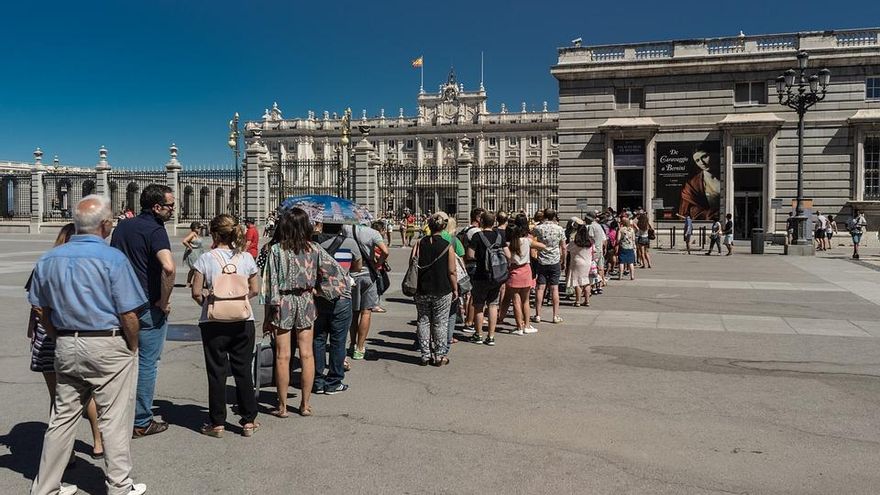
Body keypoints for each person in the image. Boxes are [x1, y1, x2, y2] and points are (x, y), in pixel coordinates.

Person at [28, 195, 147, 495]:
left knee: (62, 419)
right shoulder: (114, 259)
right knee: (114, 419)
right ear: (105, 225)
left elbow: (39, 308)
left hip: (67, 343)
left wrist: (57, 336)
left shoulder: (48, 259)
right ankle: (120, 486)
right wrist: (132, 344)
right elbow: (129, 313)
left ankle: (45, 488)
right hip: (107, 344)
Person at [26, 224, 104, 463]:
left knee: (58, 399)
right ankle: (98, 441)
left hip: (47, 339)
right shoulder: (85, 267)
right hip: (72, 336)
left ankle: (66, 453)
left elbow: (36, 305)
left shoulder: (46, 264)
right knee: (85, 394)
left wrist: (36, 331)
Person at [262, 208, 346, 417]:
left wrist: (267, 316)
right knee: (307, 354)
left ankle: (282, 406)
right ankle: (305, 404)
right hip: (306, 300)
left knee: (283, 356)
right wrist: (320, 291)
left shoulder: (276, 251)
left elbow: (269, 284)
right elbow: (338, 275)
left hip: (282, 301)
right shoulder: (314, 249)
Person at [110, 183, 176, 438]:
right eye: (170, 206)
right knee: (147, 363)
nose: (173, 210)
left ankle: (115, 415)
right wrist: (164, 300)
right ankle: (141, 420)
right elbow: (168, 268)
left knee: (122, 361)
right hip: (147, 307)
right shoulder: (156, 230)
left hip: (120, 305)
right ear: (157, 207)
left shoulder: (123, 226)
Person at [189, 214, 260, 438]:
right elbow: (255, 290)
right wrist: (238, 300)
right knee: (243, 370)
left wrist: (209, 302)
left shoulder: (205, 259)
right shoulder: (246, 258)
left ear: (214, 233)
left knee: (216, 372)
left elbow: (196, 292)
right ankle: (249, 421)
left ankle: (217, 423)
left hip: (213, 321)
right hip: (242, 320)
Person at [312, 221, 361, 394]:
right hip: (342, 296)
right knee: (338, 341)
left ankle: (317, 381)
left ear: (323, 225)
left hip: (318, 296)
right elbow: (358, 266)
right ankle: (334, 382)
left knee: (317, 339)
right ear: (341, 226)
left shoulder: (313, 242)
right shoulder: (350, 243)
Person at [413, 213, 457, 365]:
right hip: (442, 288)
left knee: (423, 320)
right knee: (440, 322)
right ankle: (439, 355)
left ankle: (425, 355)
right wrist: (455, 288)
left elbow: (412, 264)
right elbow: (452, 271)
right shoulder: (447, 245)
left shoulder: (419, 243)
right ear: (443, 227)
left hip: (421, 288)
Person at [343, 222, 388, 361]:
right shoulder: (372, 233)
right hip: (368, 274)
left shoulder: (345, 229)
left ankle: (352, 344)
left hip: (351, 274)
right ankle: (360, 348)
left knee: (354, 313)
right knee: (366, 312)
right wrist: (377, 264)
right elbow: (385, 251)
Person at [466, 211, 511, 346]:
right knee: (493, 305)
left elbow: (470, 255)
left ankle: (478, 334)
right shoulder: (498, 236)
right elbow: (508, 255)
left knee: (479, 305)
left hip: (480, 274)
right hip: (496, 276)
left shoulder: (477, 236)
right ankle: (491, 336)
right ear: (494, 222)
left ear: (481, 222)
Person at [504, 213, 546, 335]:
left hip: (514, 271)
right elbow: (542, 246)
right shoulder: (527, 241)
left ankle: (519, 327)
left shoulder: (508, 244)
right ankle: (527, 325)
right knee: (526, 301)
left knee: (516, 301)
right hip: (526, 269)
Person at [532, 208, 566, 324]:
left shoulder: (538, 228)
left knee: (540, 288)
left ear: (544, 216)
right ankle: (555, 315)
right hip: (555, 260)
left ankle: (537, 315)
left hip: (542, 260)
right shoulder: (559, 229)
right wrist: (563, 260)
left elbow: (532, 240)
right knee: (554, 288)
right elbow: (563, 246)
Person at [459, 208, 485, 334]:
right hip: (474, 264)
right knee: (474, 295)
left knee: (468, 294)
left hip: (466, 264)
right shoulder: (476, 232)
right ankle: (469, 322)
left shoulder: (465, 229)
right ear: (478, 218)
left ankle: (470, 318)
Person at [678, 148, 720, 220]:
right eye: (697, 160)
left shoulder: (724, 174)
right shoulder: (692, 185)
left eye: (704, 157)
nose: (702, 162)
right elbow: (691, 210)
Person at [567, 222, 595, 307]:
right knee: (586, 282)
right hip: (587, 263)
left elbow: (567, 248)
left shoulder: (575, 243)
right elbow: (594, 252)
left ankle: (578, 301)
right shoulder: (590, 243)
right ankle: (587, 301)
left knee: (577, 282)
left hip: (577, 263)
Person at [181, 222, 204, 287]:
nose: (199, 229)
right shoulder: (192, 234)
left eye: (200, 228)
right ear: (194, 228)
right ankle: (190, 283)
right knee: (195, 268)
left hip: (199, 252)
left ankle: (190, 283)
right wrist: (190, 247)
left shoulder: (197, 234)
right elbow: (184, 241)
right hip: (193, 253)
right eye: (198, 228)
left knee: (195, 268)